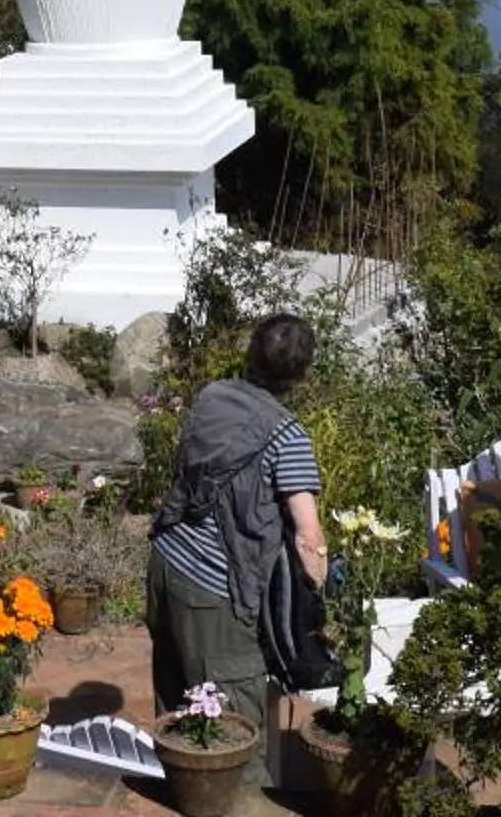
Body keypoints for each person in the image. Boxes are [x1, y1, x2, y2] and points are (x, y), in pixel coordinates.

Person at [146, 313, 327, 744]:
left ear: (251, 352)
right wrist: (320, 600)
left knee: (177, 700)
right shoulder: (287, 436)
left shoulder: (211, 397)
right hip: (214, 587)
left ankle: (184, 792)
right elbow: (308, 536)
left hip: (166, 563)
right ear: (302, 373)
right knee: (233, 722)